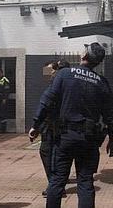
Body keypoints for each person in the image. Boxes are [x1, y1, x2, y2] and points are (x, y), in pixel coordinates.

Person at [29, 43, 113, 208]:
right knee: (85, 182)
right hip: (89, 139)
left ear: (84, 56)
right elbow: (111, 115)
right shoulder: (101, 82)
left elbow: (47, 100)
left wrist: (36, 124)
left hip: (65, 138)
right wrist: (112, 138)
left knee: (57, 181)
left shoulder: (64, 74)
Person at [38, 60, 70, 198]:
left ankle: (55, 186)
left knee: (49, 154)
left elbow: (46, 105)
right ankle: (57, 185)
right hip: (55, 125)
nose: (49, 72)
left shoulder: (57, 84)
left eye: (51, 69)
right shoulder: (63, 84)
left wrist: (35, 125)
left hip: (53, 126)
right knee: (53, 155)